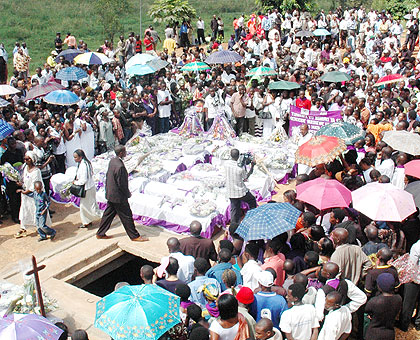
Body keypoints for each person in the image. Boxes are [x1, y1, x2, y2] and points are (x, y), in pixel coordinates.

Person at [96, 146, 149, 241]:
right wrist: (127, 194)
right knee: (127, 216)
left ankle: (100, 233)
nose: (126, 153)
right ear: (120, 153)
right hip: (118, 196)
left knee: (108, 215)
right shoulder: (120, 167)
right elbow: (122, 184)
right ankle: (134, 236)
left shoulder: (113, 161)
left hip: (111, 194)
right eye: (124, 151)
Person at [15, 151, 52, 238]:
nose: (26, 160)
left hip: (34, 196)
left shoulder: (36, 171)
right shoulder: (25, 168)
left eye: (28, 159)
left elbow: (34, 185)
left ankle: (42, 228)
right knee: (25, 210)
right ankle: (23, 227)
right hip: (25, 194)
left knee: (36, 211)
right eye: (25, 159)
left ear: (32, 160)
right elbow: (25, 180)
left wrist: (26, 191)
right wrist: (21, 184)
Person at [365, 273, 402, 340]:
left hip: (374, 334)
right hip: (389, 333)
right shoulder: (398, 299)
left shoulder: (374, 301)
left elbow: (367, 310)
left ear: (379, 287)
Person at [224, 148, 256, 225]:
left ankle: (234, 226)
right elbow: (246, 178)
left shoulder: (226, 164)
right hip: (240, 191)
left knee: (234, 209)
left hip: (231, 191)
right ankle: (253, 217)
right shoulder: (240, 168)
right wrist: (252, 166)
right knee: (252, 200)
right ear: (238, 156)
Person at [73, 149, 101, 228]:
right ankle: (87, 221)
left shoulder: (83, 165)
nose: (74, 159)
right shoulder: (85, 163)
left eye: (76, 157)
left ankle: (100, 216)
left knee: (85, 207)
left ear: (80, 157)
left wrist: (75, 183)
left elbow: (83, 180)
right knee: (88, 206)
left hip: (87, 189)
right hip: (90, 187)